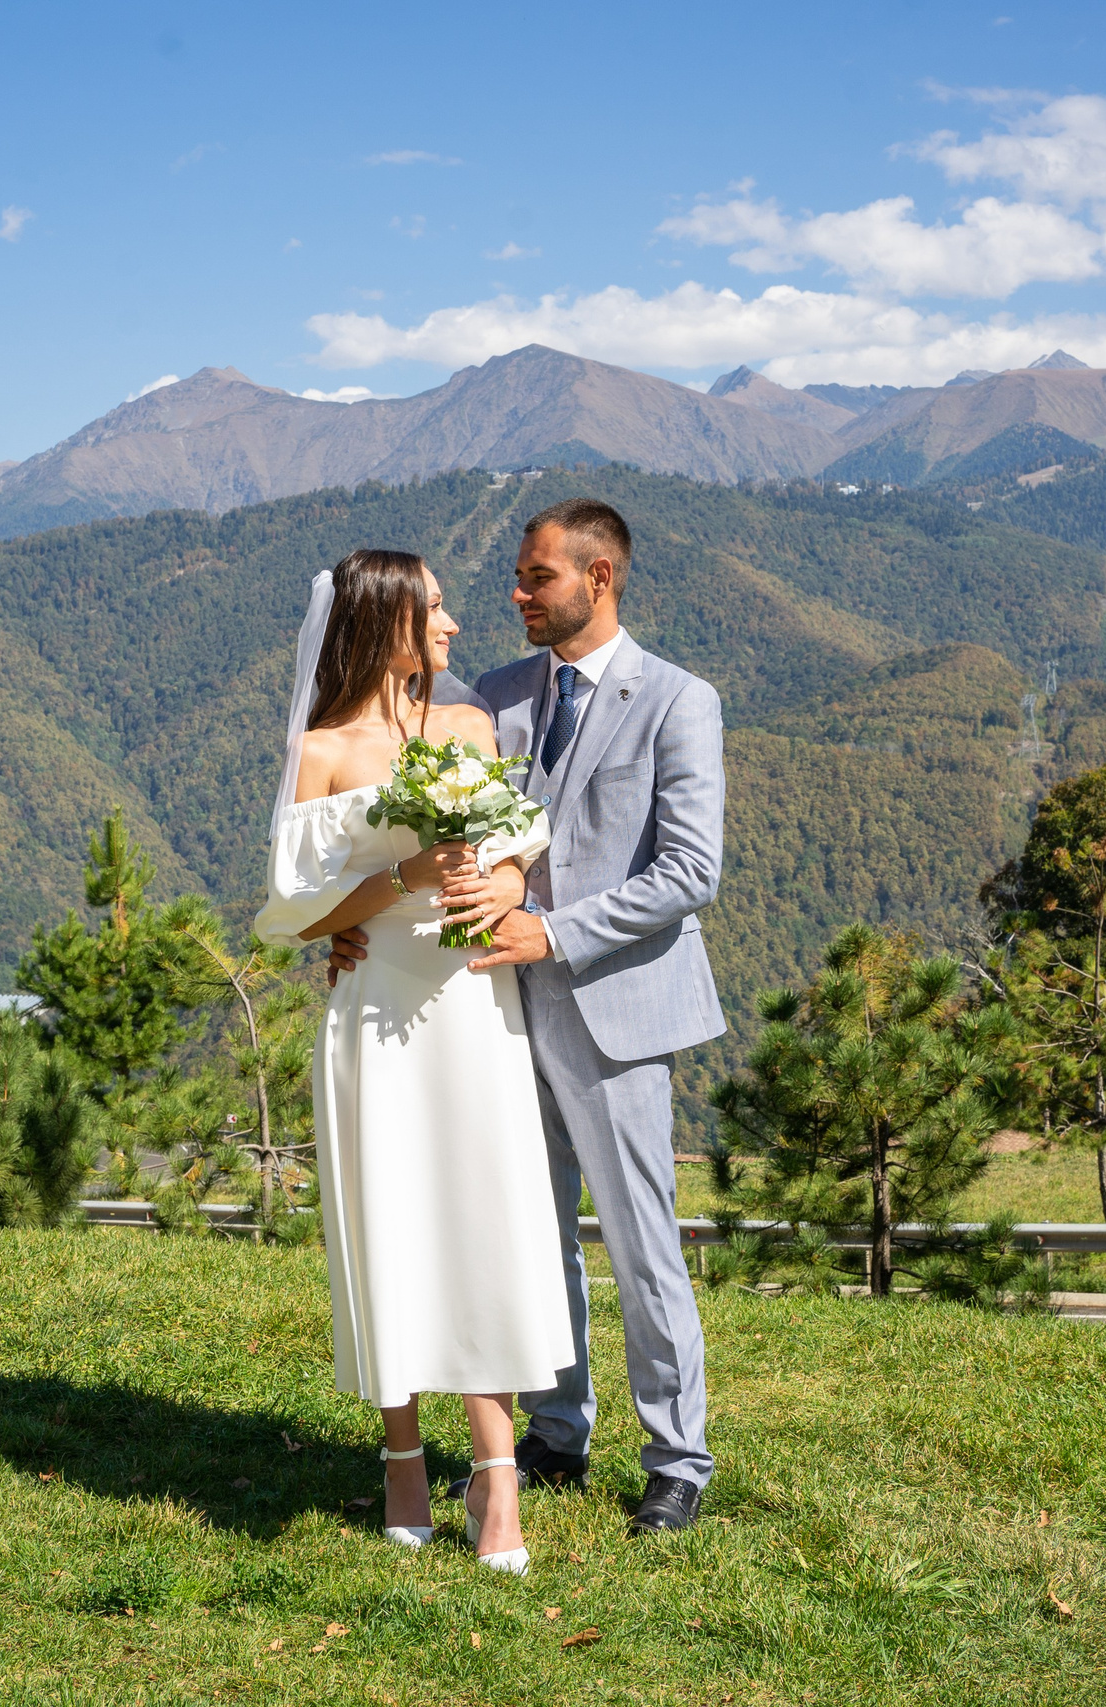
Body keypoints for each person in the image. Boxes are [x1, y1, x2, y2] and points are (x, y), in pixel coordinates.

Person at [330, 498, 726, 1536]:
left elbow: (690, 871)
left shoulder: (679, 702)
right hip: (488, 1016)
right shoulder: (489, 698)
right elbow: (377, 755)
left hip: (612, 1005)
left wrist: (549, 930)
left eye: (535, 578)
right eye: (513, 576)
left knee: (642, 1245)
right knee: (529, 1235)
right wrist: (346, 912)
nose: (516, 595)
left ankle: (676, 1457)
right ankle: (557, 1426)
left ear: (599, 579)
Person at [252, 547, 574, 1575]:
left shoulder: (468, 728)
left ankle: (494, 1476)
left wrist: (510, 884)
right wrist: (394, 881)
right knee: (388, 1226)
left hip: (474, 1009)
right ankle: (400, 1455)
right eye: (432, 609)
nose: (451, 623)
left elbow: (519, 837)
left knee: (484, 1224)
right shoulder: (322, 751)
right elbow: (293, 914)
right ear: (385, 621)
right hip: (373, 1008)